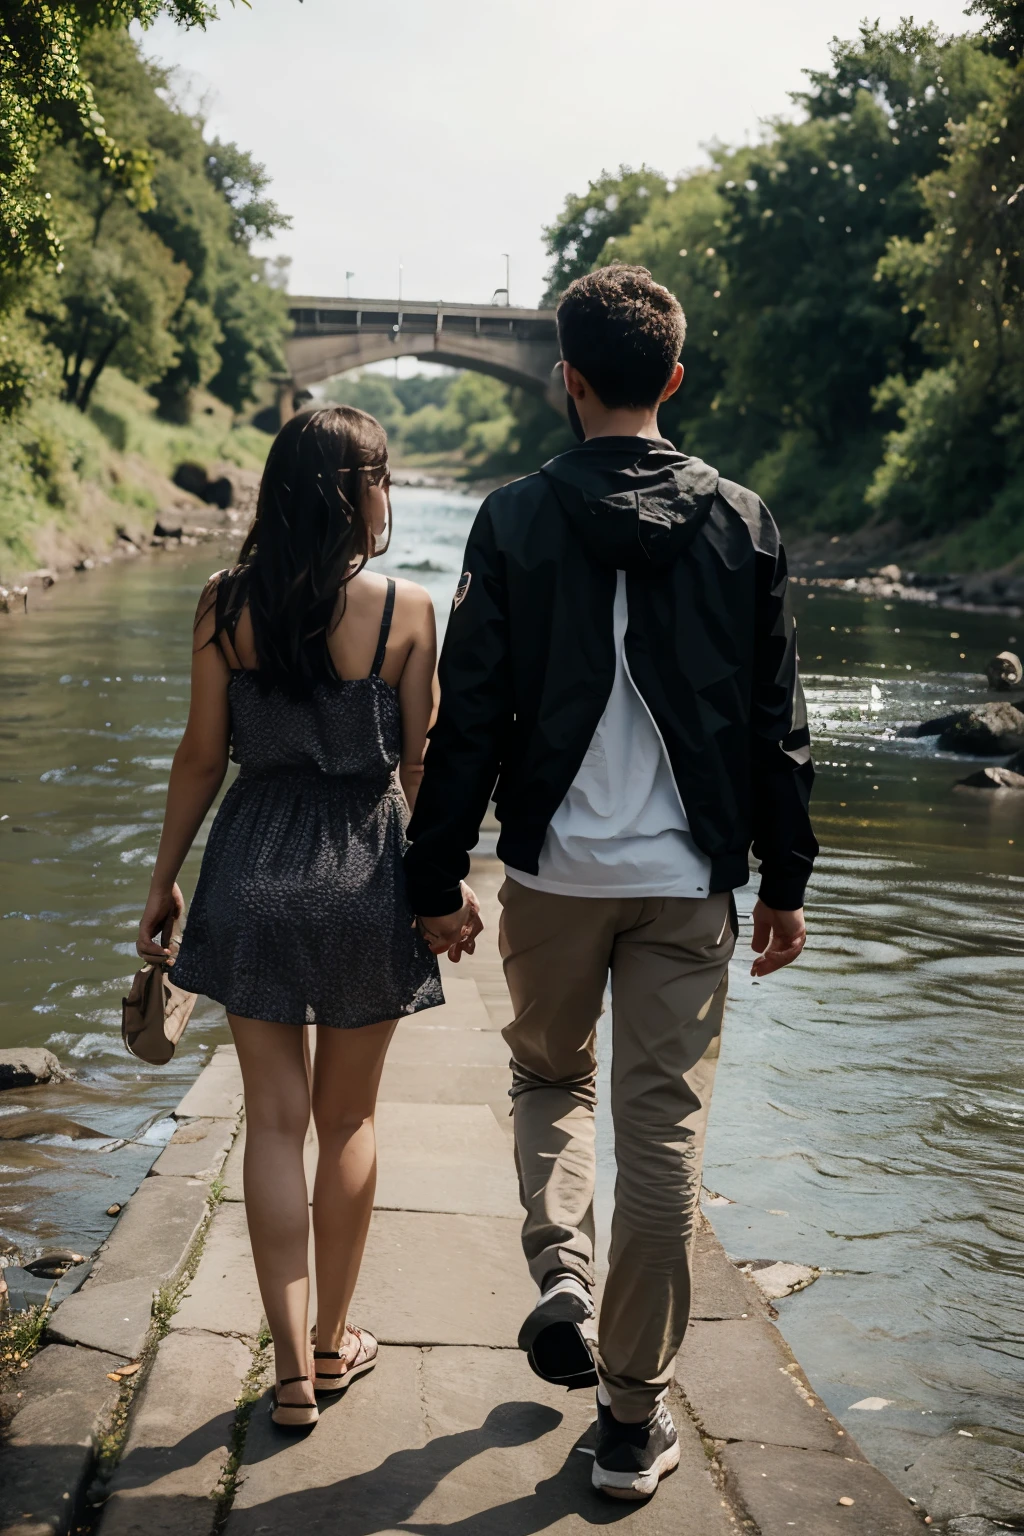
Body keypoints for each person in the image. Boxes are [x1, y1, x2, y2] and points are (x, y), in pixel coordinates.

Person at [405, 265, 817, 1499]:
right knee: (664, 1137)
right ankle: (632, 1418)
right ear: (673, 380)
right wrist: (785, 877)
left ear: (564, 384)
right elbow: (773, 722)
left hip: (553, 877)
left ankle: (562, 1272)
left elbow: (465, 718)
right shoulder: (743, 520)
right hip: (688, 878)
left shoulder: (513, 518)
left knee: (545, 1074)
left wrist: (435, 878)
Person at [136, 406, 478, 1430]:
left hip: (251, 869)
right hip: (362, 874)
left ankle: (287, 1374)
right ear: (352, 492)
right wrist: (445, 887)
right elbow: (423, 768)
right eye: (383, 476)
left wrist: (164, 879)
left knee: (273, 1123)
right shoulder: (408, 612)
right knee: (350, 1121)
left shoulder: (221, 603)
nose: (390, 492)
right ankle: (334, 1345)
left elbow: (201, 755)